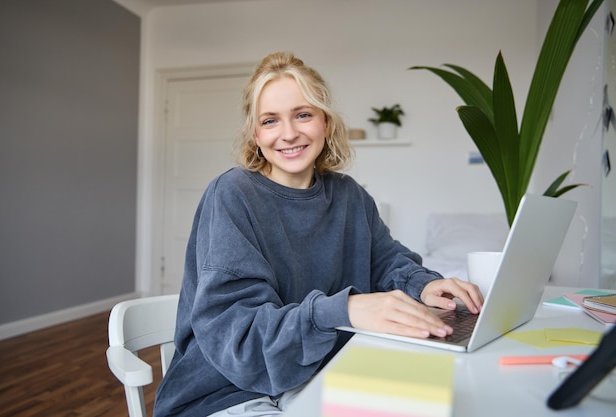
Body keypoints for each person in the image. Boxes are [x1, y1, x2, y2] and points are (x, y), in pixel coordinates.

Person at [153, 51, 483, 417]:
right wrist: (344, 310)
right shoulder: (232, 195)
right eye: (270, 120)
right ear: (255, 133)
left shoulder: (349, 195)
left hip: (320, 374)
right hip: (229, 391)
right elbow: (240, 339)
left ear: (325, 122)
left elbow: (387, 261)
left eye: (303, 114)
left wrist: (422, 285)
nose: (289, 133)